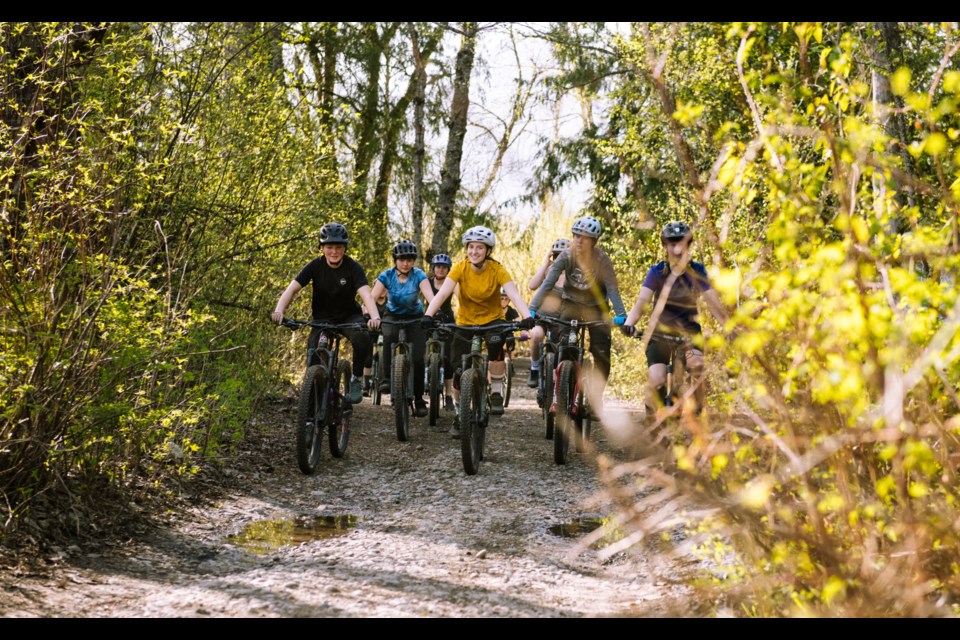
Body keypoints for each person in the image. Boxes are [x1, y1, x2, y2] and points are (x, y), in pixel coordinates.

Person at [421, 225, 535, 437]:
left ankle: (497, 391)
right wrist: (428, 315)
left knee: (495, 347)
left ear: (488, 251)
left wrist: (527, 316)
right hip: (465, 322)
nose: (474, 251)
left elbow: (515, 295)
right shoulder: (459, 268)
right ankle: (458, 412)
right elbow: (443, 293)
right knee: (457, 370)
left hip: (493, 321)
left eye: (479, 248)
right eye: (471, 247)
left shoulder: (497, 269)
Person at [619, 220, 730, 420]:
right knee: (657, 379)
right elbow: (642, 303)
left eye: (682, 243)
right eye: (672, 243)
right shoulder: (657, 272)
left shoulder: (697, 271)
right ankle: (652, 414)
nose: (677, 248)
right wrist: (629, 324)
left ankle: (696, 410)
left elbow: (713, 303)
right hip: (659, 333)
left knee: (696, 366)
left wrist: (728, 327)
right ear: (665, 246)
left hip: (689, 333)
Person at [271, 222, 381, 404]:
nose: (334, 251)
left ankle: (355, 379)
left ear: (345, 248)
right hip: (322, 318)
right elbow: (291, 290)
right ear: (322, 248)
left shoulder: (353, 267)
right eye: (329, 247)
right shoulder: (314, 266)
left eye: (339, 247)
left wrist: (375, 317)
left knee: (362, 338)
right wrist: (279, 311)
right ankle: (314, 403)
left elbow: (367, 296)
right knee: (314, 356)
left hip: (348, 316)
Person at [528, 216, 626, 417]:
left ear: (594, 241)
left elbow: (612, 290)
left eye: (585, 237)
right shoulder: (566, 255)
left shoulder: (602, 260)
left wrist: (621, 315)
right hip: (571, 303)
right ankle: (558, 395)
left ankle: (595, 398)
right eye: (576, 236)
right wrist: (532, 307)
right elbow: (548, 282)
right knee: (562, 346)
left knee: (602, 353)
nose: (579, 240)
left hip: (597, 307)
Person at [369, 239, 435, 418]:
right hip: (393, 315)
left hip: (415, 317)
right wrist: (368, 315)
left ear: (413, 261)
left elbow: (430, 297)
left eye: (409, 260)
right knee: (388, 337)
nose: (406, 263)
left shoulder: (419, 275)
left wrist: (431, 315)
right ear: (395, 260)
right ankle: (387, 379)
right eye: (402, 259)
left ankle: (420, 398)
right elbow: (371, 298)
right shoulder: (386, 276)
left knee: (418, 358)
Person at [526, 238, 570, 387]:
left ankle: (560, 382)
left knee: (565, 346)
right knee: (537, 334)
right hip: (542, 316)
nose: (559, 259)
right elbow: (532, 285)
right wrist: (545, 261)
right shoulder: (548, 268)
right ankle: (535, 367)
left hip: (562, 319)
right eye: (556, 256)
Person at [428, 253, 457, 412]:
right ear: (433, 268)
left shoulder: (452, 283)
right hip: (429, 318)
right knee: (417, 353)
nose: (441, 269)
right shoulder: (427, 282)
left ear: (448, 270)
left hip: (447, 320)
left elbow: (461, 296)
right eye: (438, 266)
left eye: (444, 267)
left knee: (447, 359)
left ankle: (448, 396)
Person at [500, 288, 528, 358]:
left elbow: (519, 322)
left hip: (508, 334)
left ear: (509, 300)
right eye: (501, 298)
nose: (503, 301)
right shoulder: (494, 310)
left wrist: (524, 333)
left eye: (506, 299)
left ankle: (509, 361)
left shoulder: (512, 311)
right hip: (496, 333)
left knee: (510, 343)